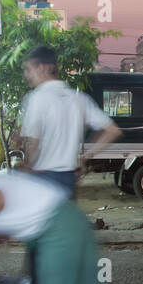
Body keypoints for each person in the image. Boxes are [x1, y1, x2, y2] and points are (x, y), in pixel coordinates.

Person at [21, 46, 121, 197]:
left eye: (29, 69)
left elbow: (33, 143)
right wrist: (85, 157)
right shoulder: (78, 99)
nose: (27, 75)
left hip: (43, 178)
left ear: (42, 68)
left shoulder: (37, 98)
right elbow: (113, 130)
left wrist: (28, 168)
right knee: (65, 219)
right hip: (68, 178)